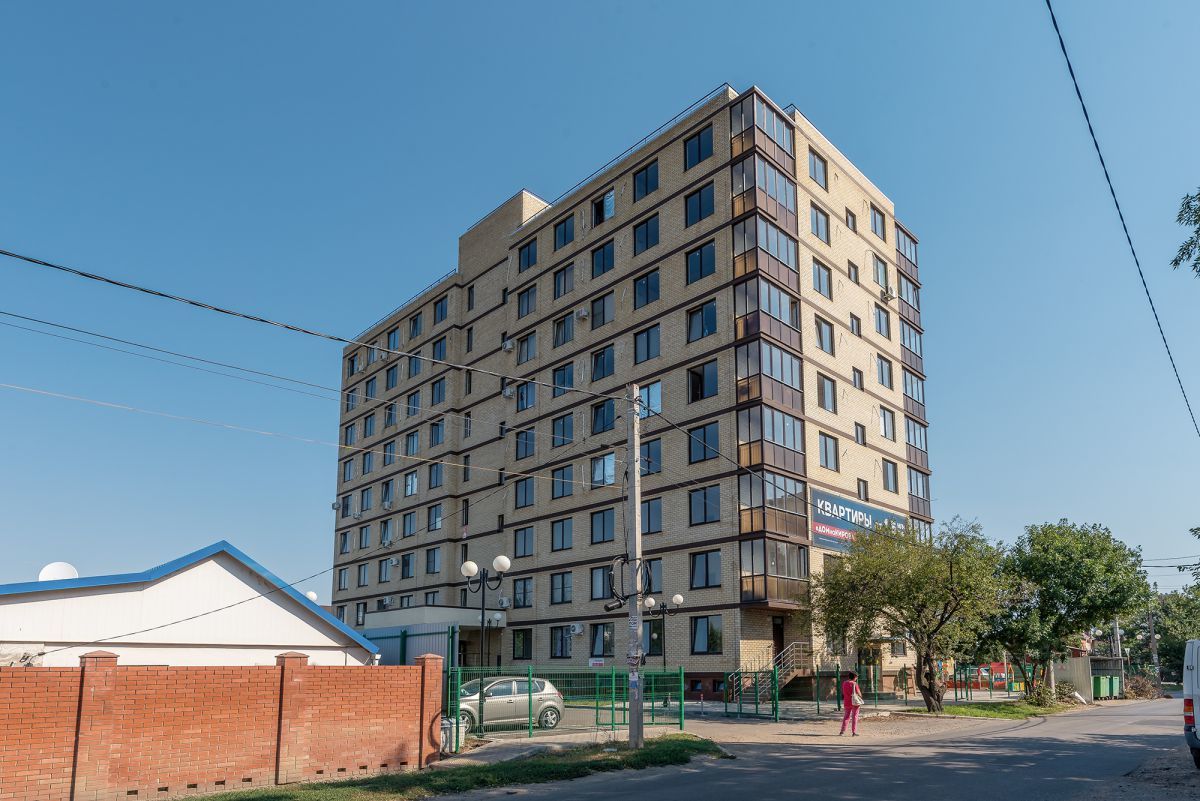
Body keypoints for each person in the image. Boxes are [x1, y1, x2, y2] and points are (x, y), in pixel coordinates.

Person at [840, 670, 863, 736]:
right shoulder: (854, 684)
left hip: (846, 702)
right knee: (854, 717)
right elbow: (859, 693)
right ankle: (854, 732)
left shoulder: (844, 683)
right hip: (855, 702)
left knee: (846, 717)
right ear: (854, 676)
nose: (857, 678)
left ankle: (842, 731)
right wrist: (860, 696)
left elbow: (844, 692)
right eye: (857, 677)